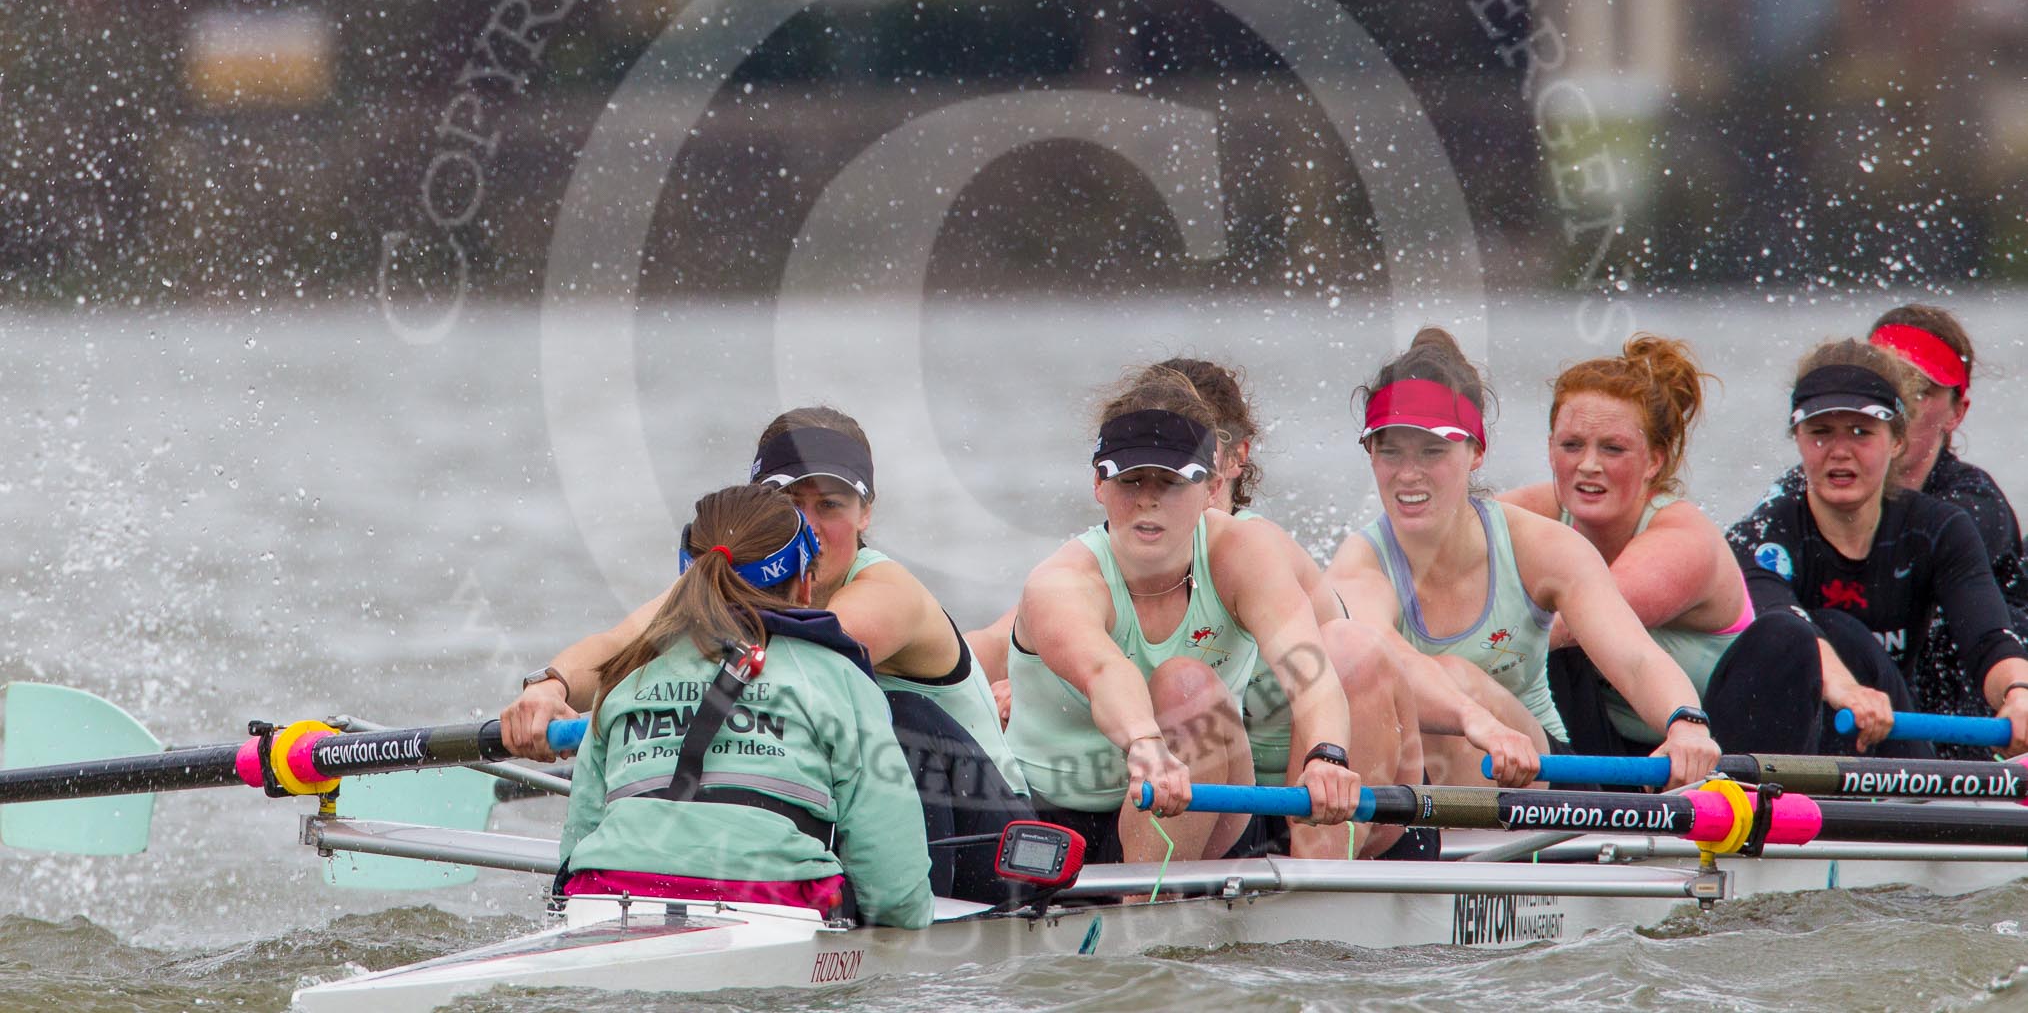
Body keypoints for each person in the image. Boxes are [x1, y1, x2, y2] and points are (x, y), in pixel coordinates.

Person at [506, 407, 1025, 901]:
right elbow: (617, 649)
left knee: (897, 716)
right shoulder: (723, 581)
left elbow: (787, 666)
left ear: (866, 512)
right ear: (760, 508)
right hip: (861, 804)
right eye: (792, 503)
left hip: (988, 833)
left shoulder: (887, 591)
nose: (811, 524)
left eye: (832, 505)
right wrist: (550, 687)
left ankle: (902, 933)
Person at [1324, 327, 1723, 788]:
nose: (1408, 475)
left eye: (1433, 451)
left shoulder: (1540, 546)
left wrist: (1686, 722)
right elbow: (1381, 653)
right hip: (1426, 774)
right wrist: (1471, 718)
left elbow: (1634, 658)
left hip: (1541, 775)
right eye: (1390, 451)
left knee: (1454, 676)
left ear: (1475, 452)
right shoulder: (1359, 563)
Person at [1003, 368, 1364, 865]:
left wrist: (1328, 757)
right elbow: (1105, 672)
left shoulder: (1245, 554)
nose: (1148, 498)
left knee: (1187, 687)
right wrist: (1146, 744)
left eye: (1171, 482)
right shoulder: (1061, 581)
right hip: (1055, 823)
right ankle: (1149, 925)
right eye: (1130, 480)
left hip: (1204, 805)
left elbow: (1310, 671)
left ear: (1212, 486)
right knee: (1182, 685)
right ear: (1098, 484)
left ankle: (1157, 918)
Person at [557, 484, 933, 928]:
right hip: (775, 905)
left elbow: (574, 849)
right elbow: (895, 892)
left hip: (602, 899)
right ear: (805, 582)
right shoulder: (841, 678)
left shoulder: (625, 672)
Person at [1500, 335, 1822, 758]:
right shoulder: (1535, 509)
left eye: (1612, 448)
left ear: (1654, 460)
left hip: (1714, 750)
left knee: (1787, 635)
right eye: (1572, 445)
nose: (1588, 465)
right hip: (1610, 753)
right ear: (1550, 448)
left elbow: (1570, 624)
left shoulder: (1682, 537)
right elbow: (1439, 546)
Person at [1726, 340, 2028, 757]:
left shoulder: (1939, 529)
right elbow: (1780, 619)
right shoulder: (1761, 535)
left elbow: (1990, 640)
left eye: (1861, 433)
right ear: (1797, 437)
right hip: (1785, 745)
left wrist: (2017, 693)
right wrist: (1847, 690)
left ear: (1898, 441)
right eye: (1820, 433)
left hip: (1888, 735)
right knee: (1832, 630)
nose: (1839, 451)